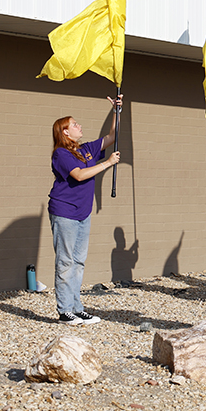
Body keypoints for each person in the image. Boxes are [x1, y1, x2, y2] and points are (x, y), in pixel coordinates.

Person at [48, 95, 122, 325]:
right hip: (65, 212)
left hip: (83, 212)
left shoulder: (87, 149)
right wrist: (107, 163)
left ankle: (76, 308)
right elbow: (79, 174)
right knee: (66, 261)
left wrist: (116, 111)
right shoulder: (62, 154)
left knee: (78, 262)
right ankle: (64, 310)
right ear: (65, 132)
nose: (80, 126)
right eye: (75, 124)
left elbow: (112, 136)